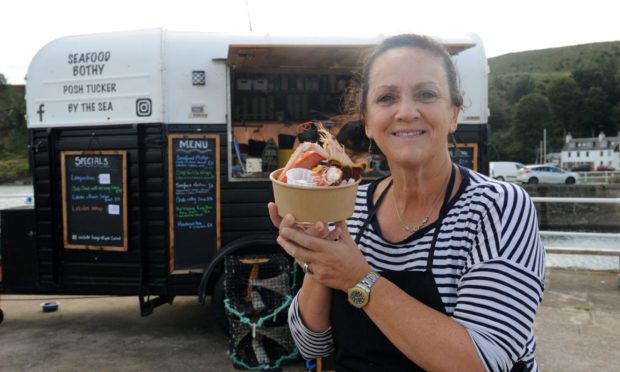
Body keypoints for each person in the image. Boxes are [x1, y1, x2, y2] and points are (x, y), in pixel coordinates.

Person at [268, 34, 545, 371]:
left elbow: (483, 361)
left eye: (426, 94)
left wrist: (358, 277)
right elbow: (312, 344)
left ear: (454, 113)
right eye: (387, 97)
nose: (406, 112)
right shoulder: (349, 208)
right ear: (368, 122)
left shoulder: (496, 208)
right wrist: (318, 260)